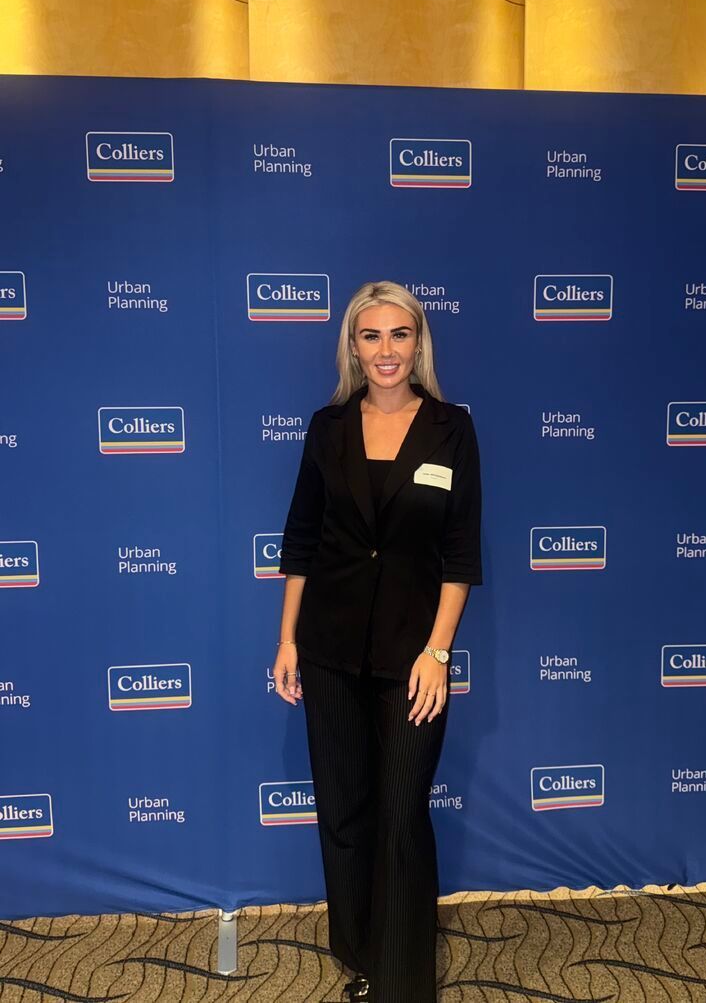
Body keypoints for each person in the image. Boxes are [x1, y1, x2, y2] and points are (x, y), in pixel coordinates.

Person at [273, 280, 482, 1003]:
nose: (386, 349)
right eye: (371, 335)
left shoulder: (452, 429)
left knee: (400, 814)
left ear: (418, 344)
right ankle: (362, 956)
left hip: (411, 658)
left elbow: (460, 555)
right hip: (328, 649)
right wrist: (287, 640)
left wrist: (438, 652)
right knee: (344, 812)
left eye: (400, 334)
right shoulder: (327, 427)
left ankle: (404, 984)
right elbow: (301, 540)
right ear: (353, 348)